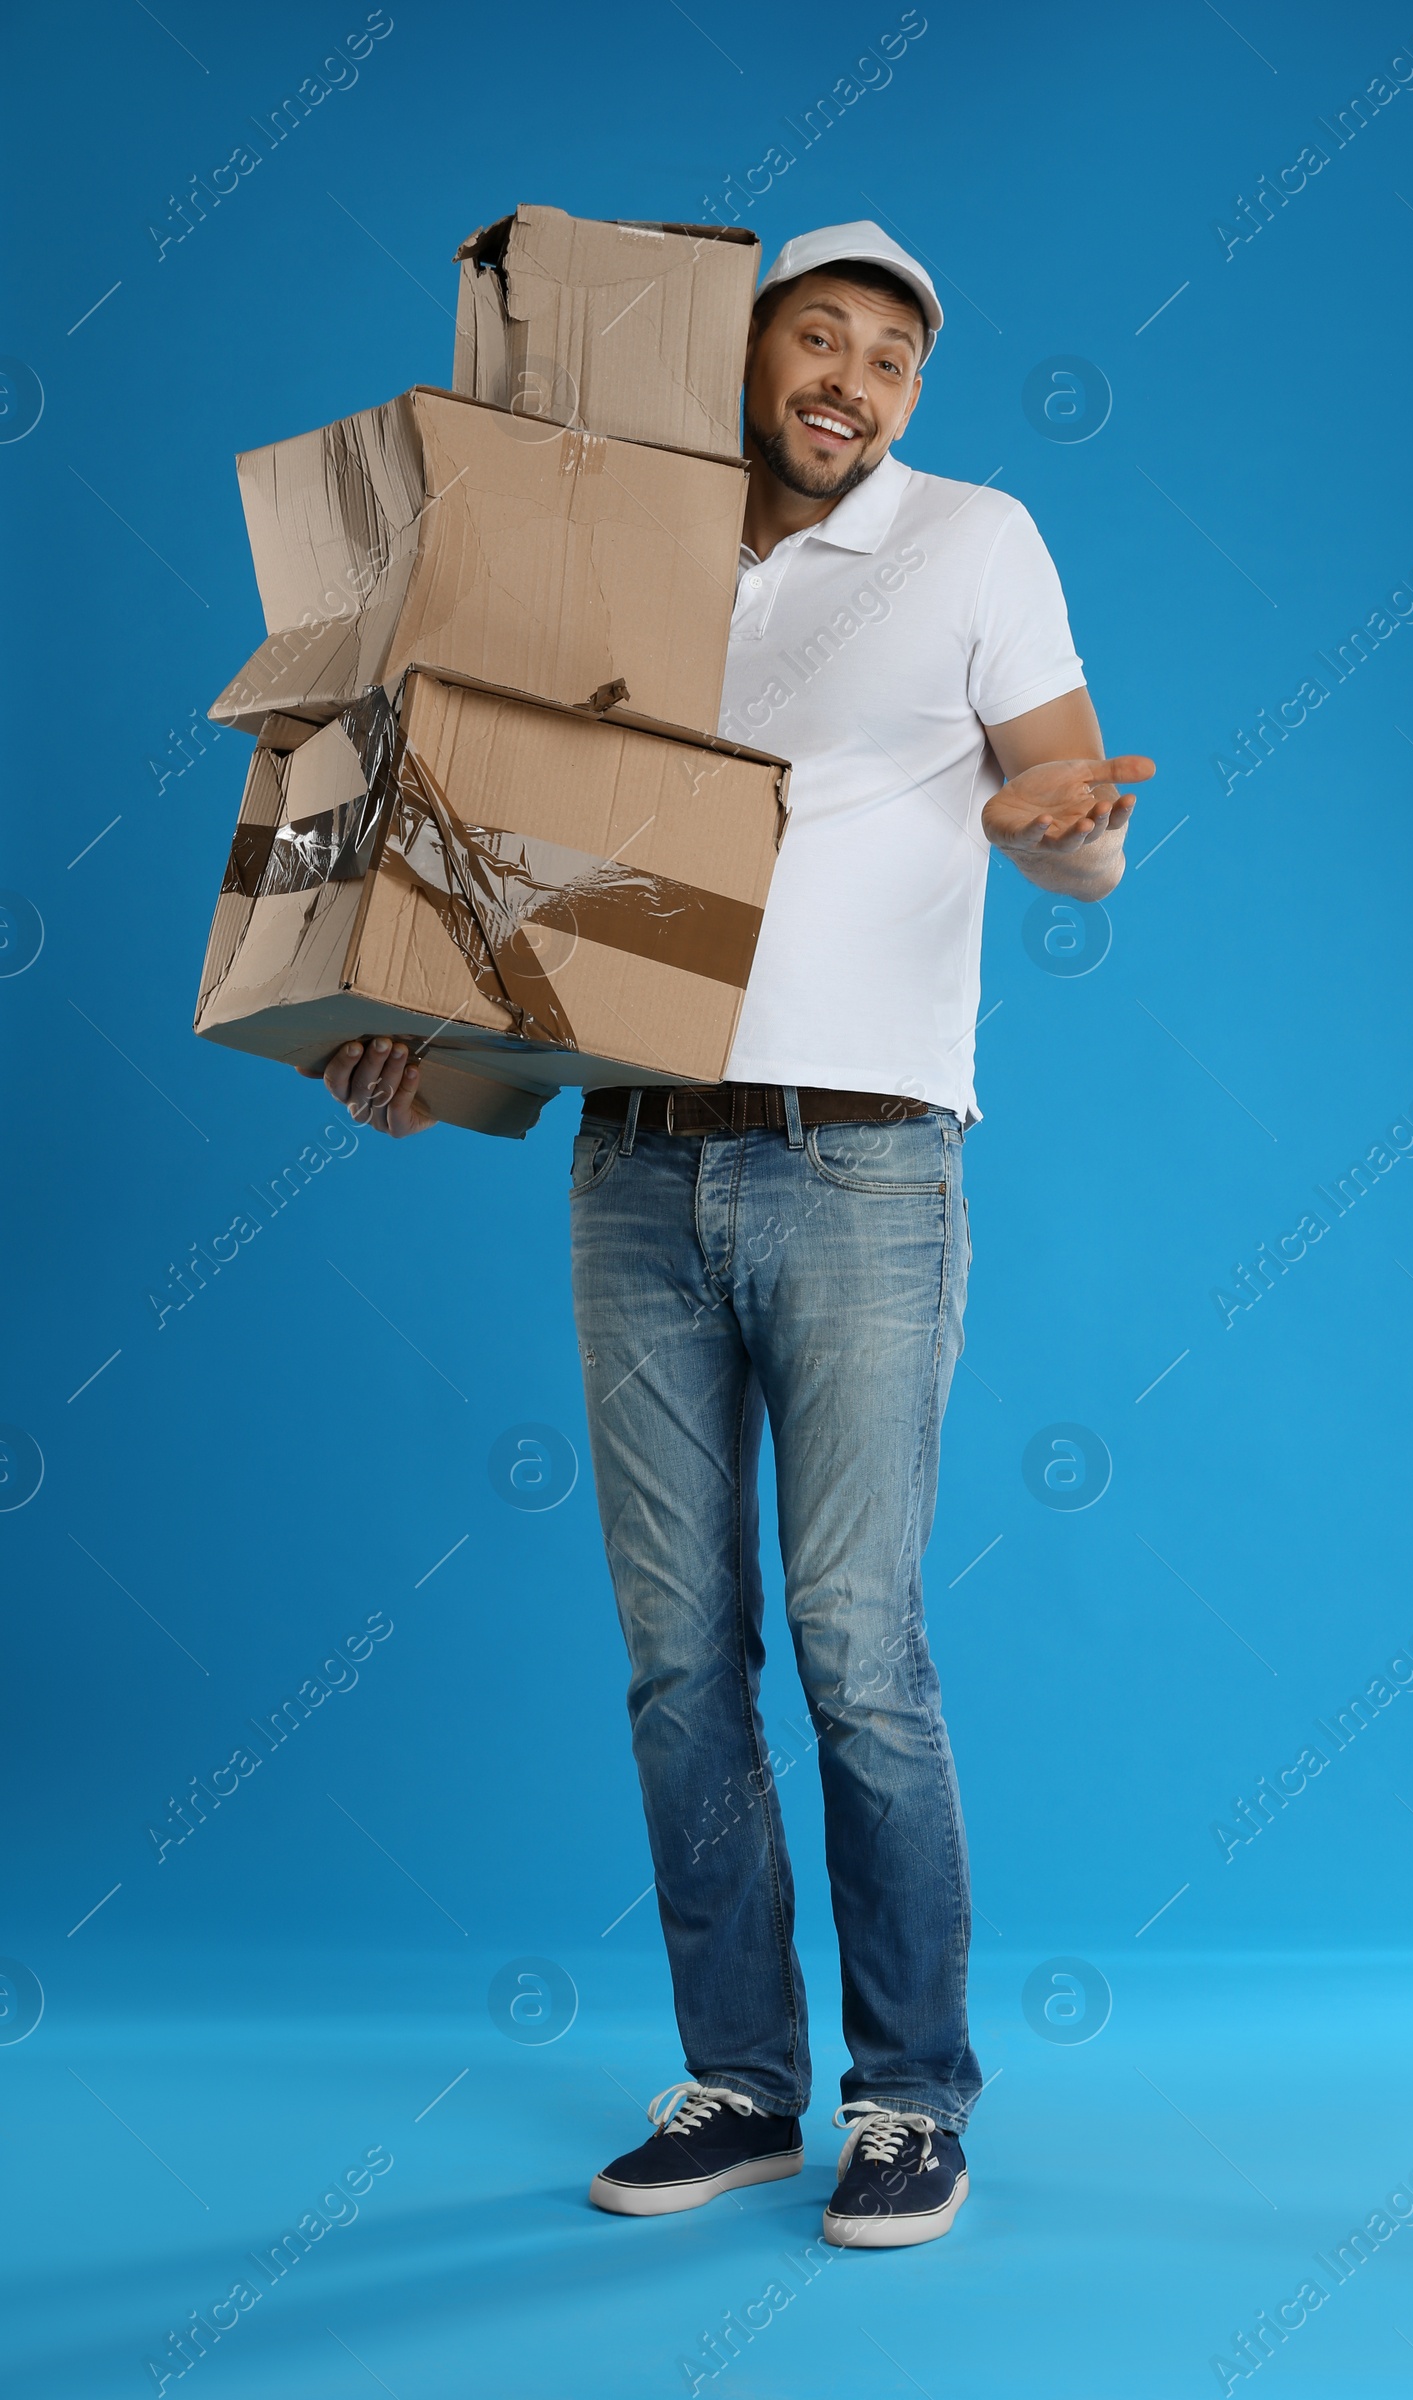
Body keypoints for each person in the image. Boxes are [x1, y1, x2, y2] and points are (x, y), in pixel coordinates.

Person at [312, 220, 1153, 2249]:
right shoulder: (635, 568)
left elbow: (1077, 814)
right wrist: (420, 1052)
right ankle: (741, 2084)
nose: (853, 381)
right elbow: (554, 889)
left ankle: (909, 2097)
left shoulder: (972, 540)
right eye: (818, 341)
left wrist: (1067, 839)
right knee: (673, 1659)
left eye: (890, 357)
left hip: (861, 1171)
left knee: (857, 1647)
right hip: (625, 1163)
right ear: (743, 360)